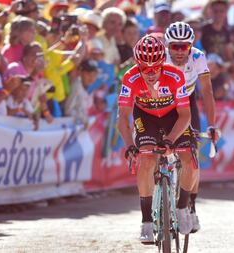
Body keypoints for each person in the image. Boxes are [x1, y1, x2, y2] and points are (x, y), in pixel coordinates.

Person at [117, 35, 197, 243]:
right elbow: (123, 117)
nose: (151, 73)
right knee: (147, 160)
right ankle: (146, 222)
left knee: (189, 158)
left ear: (163, 63)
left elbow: (185, 115)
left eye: (155, 68)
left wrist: (171, 139)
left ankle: (181, 209)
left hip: (174, 117)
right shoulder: (130, 78)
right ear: (138, 66)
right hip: (146, 117)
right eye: (145, 68)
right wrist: (129, 145)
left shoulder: (176, 76)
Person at [164, 21, 218, 233]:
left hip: (187, 101)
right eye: (175, 46)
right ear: (167, 46)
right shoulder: (161, 57)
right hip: (165, 103)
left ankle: (191, 207)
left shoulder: (197, 57)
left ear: (191, 46)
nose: (179, 51)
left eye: (184, 46)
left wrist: (212, 124)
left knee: (192, 153)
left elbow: (207, 92)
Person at [64, 59, 99, 128]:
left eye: (94, 75)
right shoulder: (76, 87)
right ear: (81, 72)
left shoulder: (86, 88)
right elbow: (68, 110)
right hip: (70, 126)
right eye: (88, 74)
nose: (91, 77)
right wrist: (82, 119)